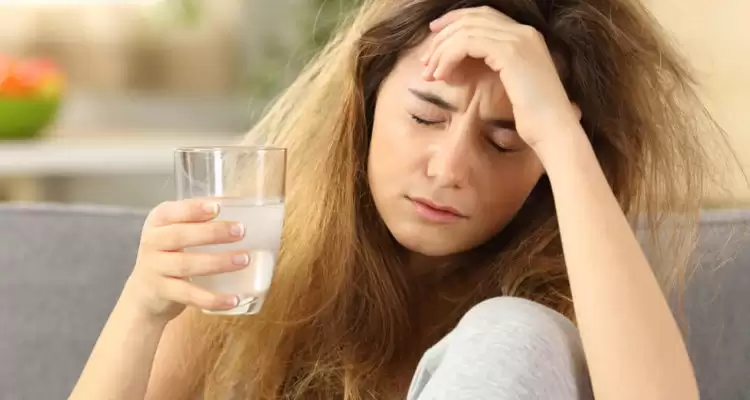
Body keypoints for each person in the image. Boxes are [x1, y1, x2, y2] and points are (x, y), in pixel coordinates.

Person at [69, 0, 735, 399]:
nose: (449, 169)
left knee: (518, 331)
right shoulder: (256, 255)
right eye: (424, 116)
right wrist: (144, 304)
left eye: (507, 140)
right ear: (363, 106)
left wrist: (559, 134)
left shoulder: (575, 307)